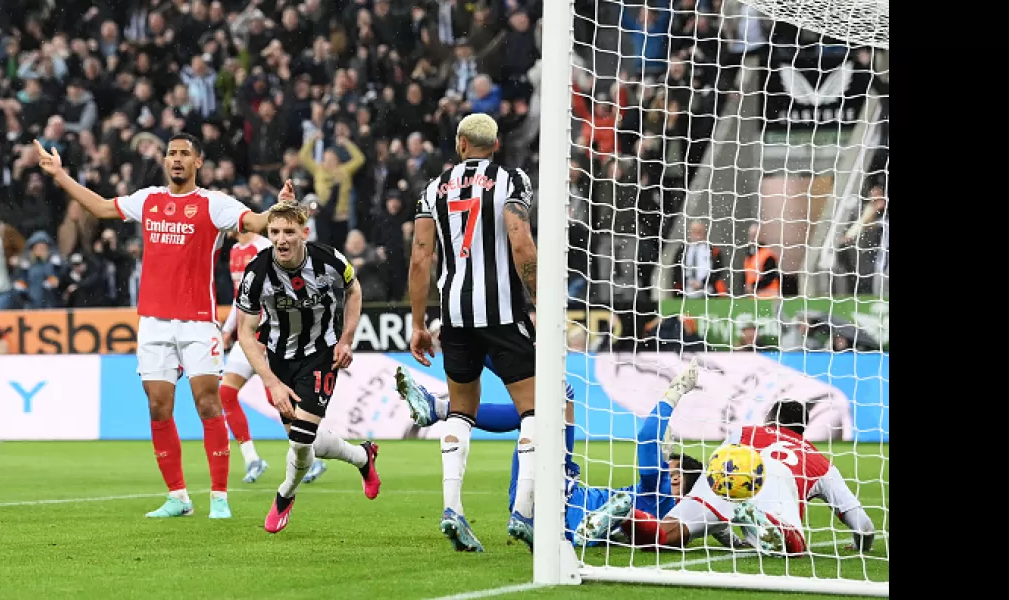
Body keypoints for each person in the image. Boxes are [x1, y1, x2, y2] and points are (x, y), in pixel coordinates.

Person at [32, 135, 296, 521]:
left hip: (197, 323)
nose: (176, 159)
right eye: (171, 153)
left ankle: (219, 497)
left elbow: (255, 222)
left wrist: (280, 208)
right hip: (154, 322)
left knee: (208, 403)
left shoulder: (212, 204)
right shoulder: (149, 199)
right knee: (158, 407)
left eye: (184, 154)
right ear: (165, 161)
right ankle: (178, 497)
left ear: (197, 162)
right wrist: (59, 175)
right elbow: (103, 207)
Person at [397, 355, 705, 551]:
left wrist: (677, 390)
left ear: (678, 482)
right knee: (534, 415)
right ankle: (575, 523)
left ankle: (455, 383)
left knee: (556, 396)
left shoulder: (661, 493)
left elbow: (646, 435)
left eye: (672, 469)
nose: (666, 469)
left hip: (558, 490)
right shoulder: (672, 514)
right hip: (545, 494)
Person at [407, 112, 541, 551]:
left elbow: (420, 258)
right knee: (537, 411)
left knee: (462, 413)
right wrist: (539, 300)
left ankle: (453, 509)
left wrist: (418, 323)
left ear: (461, 143)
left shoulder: (432, 189)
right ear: (496, 144)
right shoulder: (510, 178)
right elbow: (520, 240)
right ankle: (523, 513)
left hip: (455, 316)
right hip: (503, 314)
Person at [233, 203, 383, 534]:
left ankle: (284, 495)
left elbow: (354, 289)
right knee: (304, 439)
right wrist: (271, 382)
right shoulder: (257, 273)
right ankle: (362, 457)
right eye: (274, 232)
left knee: (301, 441)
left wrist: (347, 338)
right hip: (278, 359)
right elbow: (245, 333)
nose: (281, 240)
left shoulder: (329, 260)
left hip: (321, 353)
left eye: (289, 232)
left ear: (305, 232)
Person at [585, 399, 877, 555]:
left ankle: (626, 514)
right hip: (773, 479)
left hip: (728, 473)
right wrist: (860, 546)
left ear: (769, 420)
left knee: (666, 535)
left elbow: (717, 465)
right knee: (794, 547)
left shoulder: (746, 432)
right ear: (802, 430)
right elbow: (862, 525)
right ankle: (769, 524)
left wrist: (714, 520)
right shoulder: (819, 461)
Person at [218, 228, 326, 484]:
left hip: (271, 334)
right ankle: (252, 459)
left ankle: (309, 456)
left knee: (278, 398)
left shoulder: (264, 247)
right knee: (226, 393)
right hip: (247, 335)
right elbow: (240, 299)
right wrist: (228, 329)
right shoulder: (234, 251)